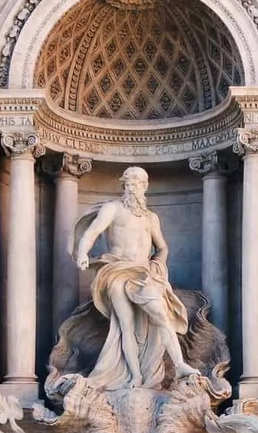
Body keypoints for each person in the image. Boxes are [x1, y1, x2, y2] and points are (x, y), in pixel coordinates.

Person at [73, 166, 200, 390]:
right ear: (123, 185)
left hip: (143, 274)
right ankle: (135, 376)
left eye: (138, 183)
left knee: (161, 315)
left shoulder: (151, 218)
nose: (133, 188)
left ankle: (179, 364)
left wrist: (157, 264)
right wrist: (83, 253)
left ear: (145, 186)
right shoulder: (113, 209)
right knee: (126, 326)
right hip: (117, 271)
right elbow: (91, 232)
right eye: (129, 183)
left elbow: (162, 247)